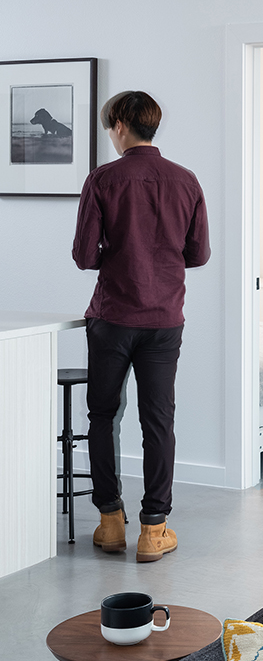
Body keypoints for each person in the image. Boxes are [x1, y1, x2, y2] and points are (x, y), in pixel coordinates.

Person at [72, 91, 210, 562]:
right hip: (164, 320)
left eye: (109, 126)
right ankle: (154, 530)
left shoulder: (103, 179)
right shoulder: (186, 180)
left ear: (120, 125)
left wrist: (119, 251)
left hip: (112, 318)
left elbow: (83, 256)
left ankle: (110, 523)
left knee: (103, 416)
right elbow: (199, 254)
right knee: (159, 422)